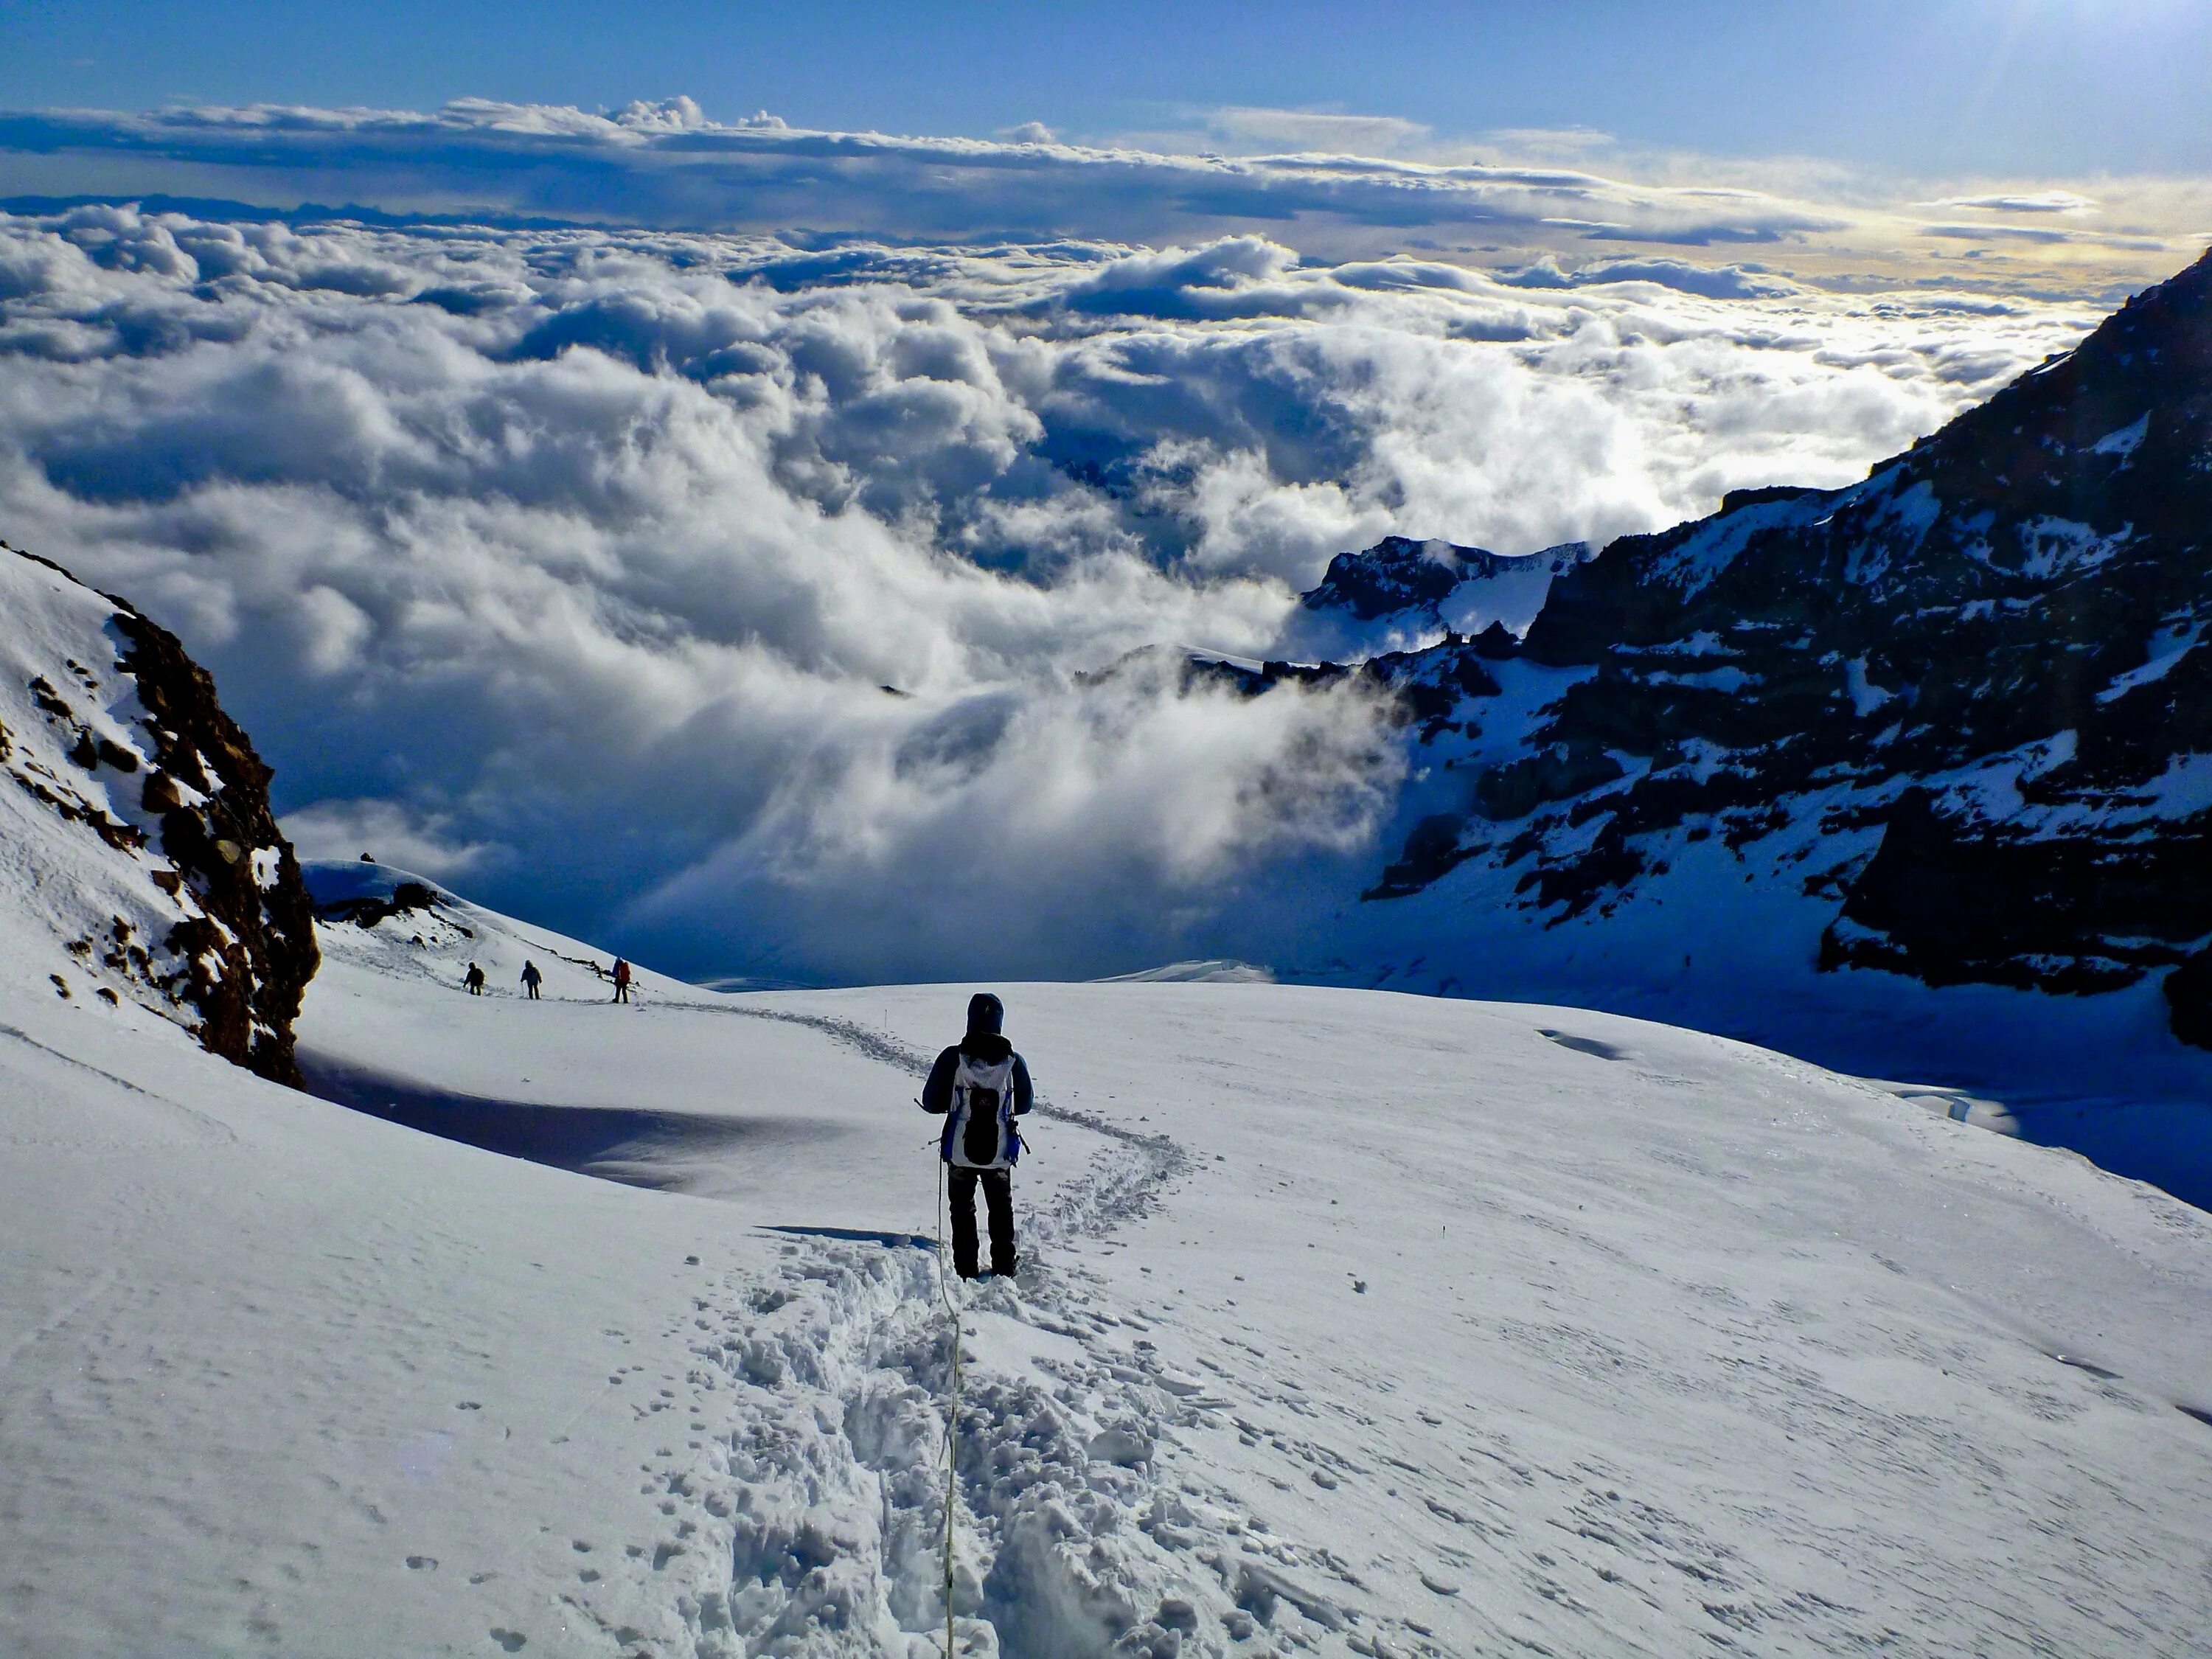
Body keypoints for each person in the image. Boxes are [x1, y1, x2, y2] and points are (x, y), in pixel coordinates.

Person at [920, 992, 1032, 1279]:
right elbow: (1025, 1104)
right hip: (1000, 1152)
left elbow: (931, 1102)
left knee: (962, 1208)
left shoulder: (952, 1057)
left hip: (960, 1149)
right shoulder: (1013, 1061)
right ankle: (1004, 1268)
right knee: (1000, 1207)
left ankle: (965, 1269)